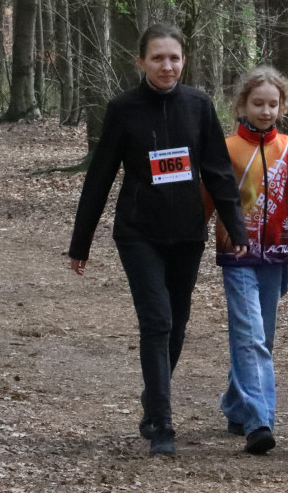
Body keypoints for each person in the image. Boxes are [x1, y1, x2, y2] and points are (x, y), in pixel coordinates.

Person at [68, 23, 248, 457]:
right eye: (158, 58)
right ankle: (163, 422)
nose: (167, 66)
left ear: (184, 60)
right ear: (141, 62)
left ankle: (154, 394)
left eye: (174, 58)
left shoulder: (199, 105)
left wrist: (234, 225)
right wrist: (81, 242)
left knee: (178, 322)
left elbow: (218, 171)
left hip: (188, 232)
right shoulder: (123, 109)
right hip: (138, 232)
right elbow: (100, 177)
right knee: (157, 320)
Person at [208, 66, 288, 455]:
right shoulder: (225, 149)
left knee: (262, 338)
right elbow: (207, 196)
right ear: (242, 104)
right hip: (237, 252)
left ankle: (234, 404)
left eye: (272, 104)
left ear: (283, 106)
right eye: (257, 103)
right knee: (250, 336)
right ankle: (260, 419)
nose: (264, 111)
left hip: (276, 254)